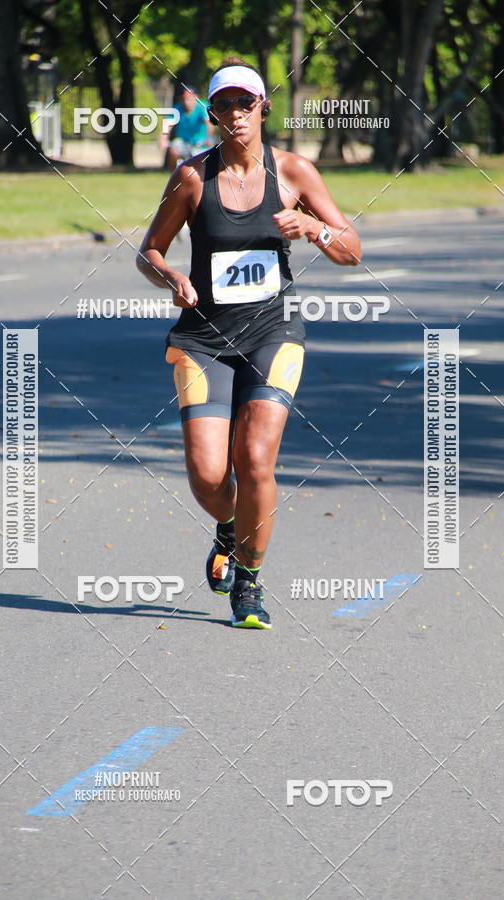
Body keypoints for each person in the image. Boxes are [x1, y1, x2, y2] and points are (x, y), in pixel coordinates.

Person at [137, 56, 361, 629]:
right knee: (209, 476)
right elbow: (149, 251)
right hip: (203, 338)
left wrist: (314, 228)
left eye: (245, 103)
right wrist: (173, 277)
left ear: (263, 107)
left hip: (272, 331)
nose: (235, 114)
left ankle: (250, 582)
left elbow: (352, 248)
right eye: (224, 106)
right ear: (211, 114)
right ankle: (230, 526)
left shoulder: (294, 173)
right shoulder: (192, 177)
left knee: (256, 458)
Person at [163, 86, 212, 171]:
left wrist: (208, 139)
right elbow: (167, 125)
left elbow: (209, 124)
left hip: (200, 144)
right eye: (184, 99)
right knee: (173, 150)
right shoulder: (177, 109)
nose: (186, 102)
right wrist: (163, 140)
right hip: (183, 142)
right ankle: (174, 176)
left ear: (196, 97)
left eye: (189, 99)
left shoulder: (202, 107)